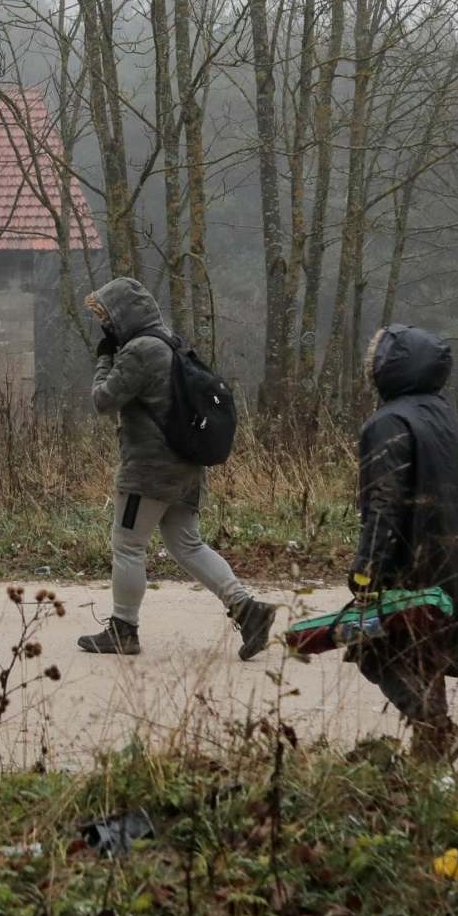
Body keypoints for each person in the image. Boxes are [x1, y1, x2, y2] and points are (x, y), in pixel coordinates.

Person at [78, 277, 276, 659]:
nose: (105, 325)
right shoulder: (171, 343)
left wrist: (104, 358)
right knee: (186, 543)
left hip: (150, 470)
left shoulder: (140, 351)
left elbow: (103, 400)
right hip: (186, 466)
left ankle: (123, 630)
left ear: (122, 316)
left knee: (128, 545)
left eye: (106, 318)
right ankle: (248, 611)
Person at [348, 324, 458, 758]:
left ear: (387, 367)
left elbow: (383, 504)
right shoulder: (450, 419)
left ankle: (437, 729)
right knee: (429, 658)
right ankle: (430, 760)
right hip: (451, 559)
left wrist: (367, 571)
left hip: (406, 563)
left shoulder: (388, 422)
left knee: (370, 647)